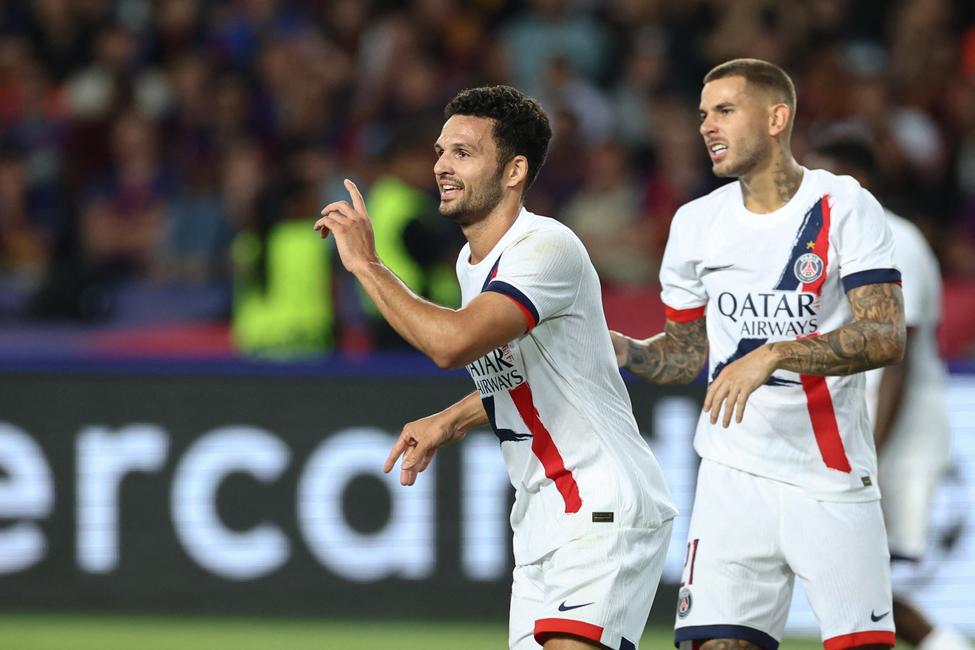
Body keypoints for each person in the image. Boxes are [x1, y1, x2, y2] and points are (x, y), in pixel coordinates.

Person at [315, 85, 677, 650]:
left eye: (463, 153)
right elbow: (523, 373)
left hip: (598, 507)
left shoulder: (545, 247)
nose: (441, 166)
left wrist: (366, 264)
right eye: (440, 151)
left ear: (513, 171)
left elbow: (450, 345)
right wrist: (451, 420)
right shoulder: (471, 262)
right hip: (541, 519)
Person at [611, 59, 906, 650]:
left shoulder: (842, 204)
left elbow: (885, 335)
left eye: (724, 111)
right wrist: (621, 349)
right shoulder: (695, 223)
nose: (706, 127)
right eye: (702, 115)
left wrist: (776, 352)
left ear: (777, 118)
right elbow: (683, 355)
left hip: (830, 476)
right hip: (731, 475)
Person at [808, 134, 974, 650]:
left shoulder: (899, 241)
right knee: (856, 574)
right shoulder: (832, 245)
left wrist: (869, 452)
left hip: (896, 438)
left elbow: (895, 361)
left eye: (824, 179)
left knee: (863, 573)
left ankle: (944, 642)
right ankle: (943, 643)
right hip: (861, 433)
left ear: (858, 182)